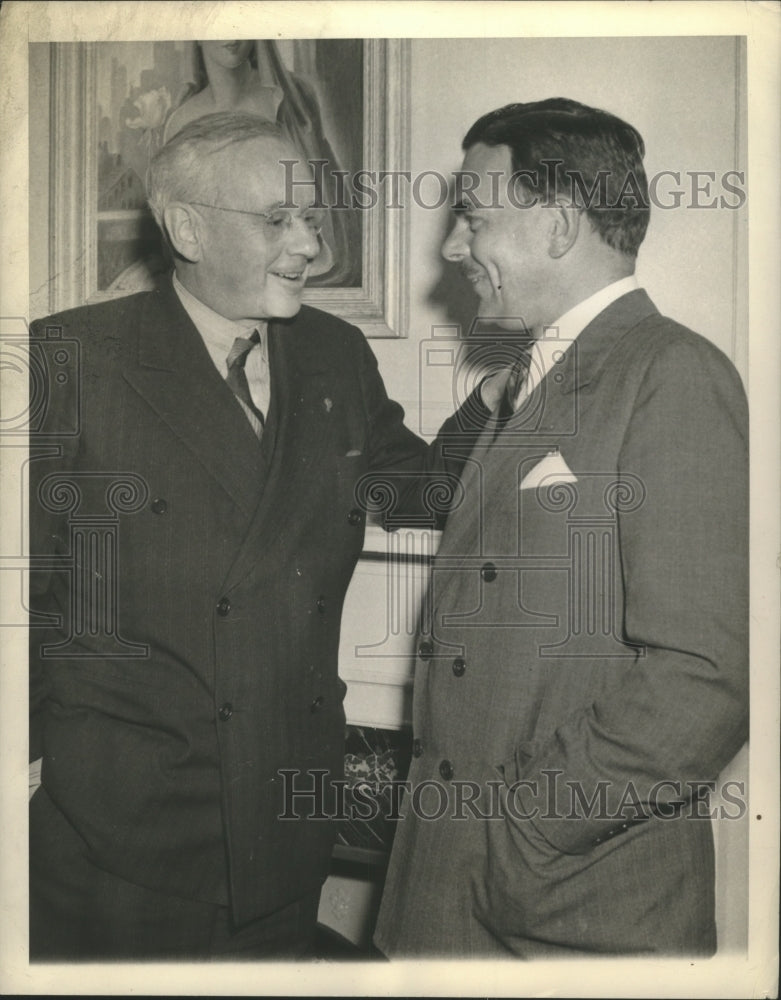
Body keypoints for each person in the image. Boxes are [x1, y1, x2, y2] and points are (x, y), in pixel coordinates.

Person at [27, 111, 497, 960]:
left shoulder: (334, 354)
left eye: (311, 219)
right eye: (277, 220)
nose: (309, 247)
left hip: (284, 813)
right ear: (186, 229)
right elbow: (21, 594)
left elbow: (421, 490)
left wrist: (498, 400)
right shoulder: (73, 359)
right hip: (119, 834)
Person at [374, 98, 749, 957]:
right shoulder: (529, 377)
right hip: (455, 885)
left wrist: (530, 833)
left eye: (471, 216)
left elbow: (705, 676)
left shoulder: (674, 374)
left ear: (554, 225)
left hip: (566, 908)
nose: (450, 248)